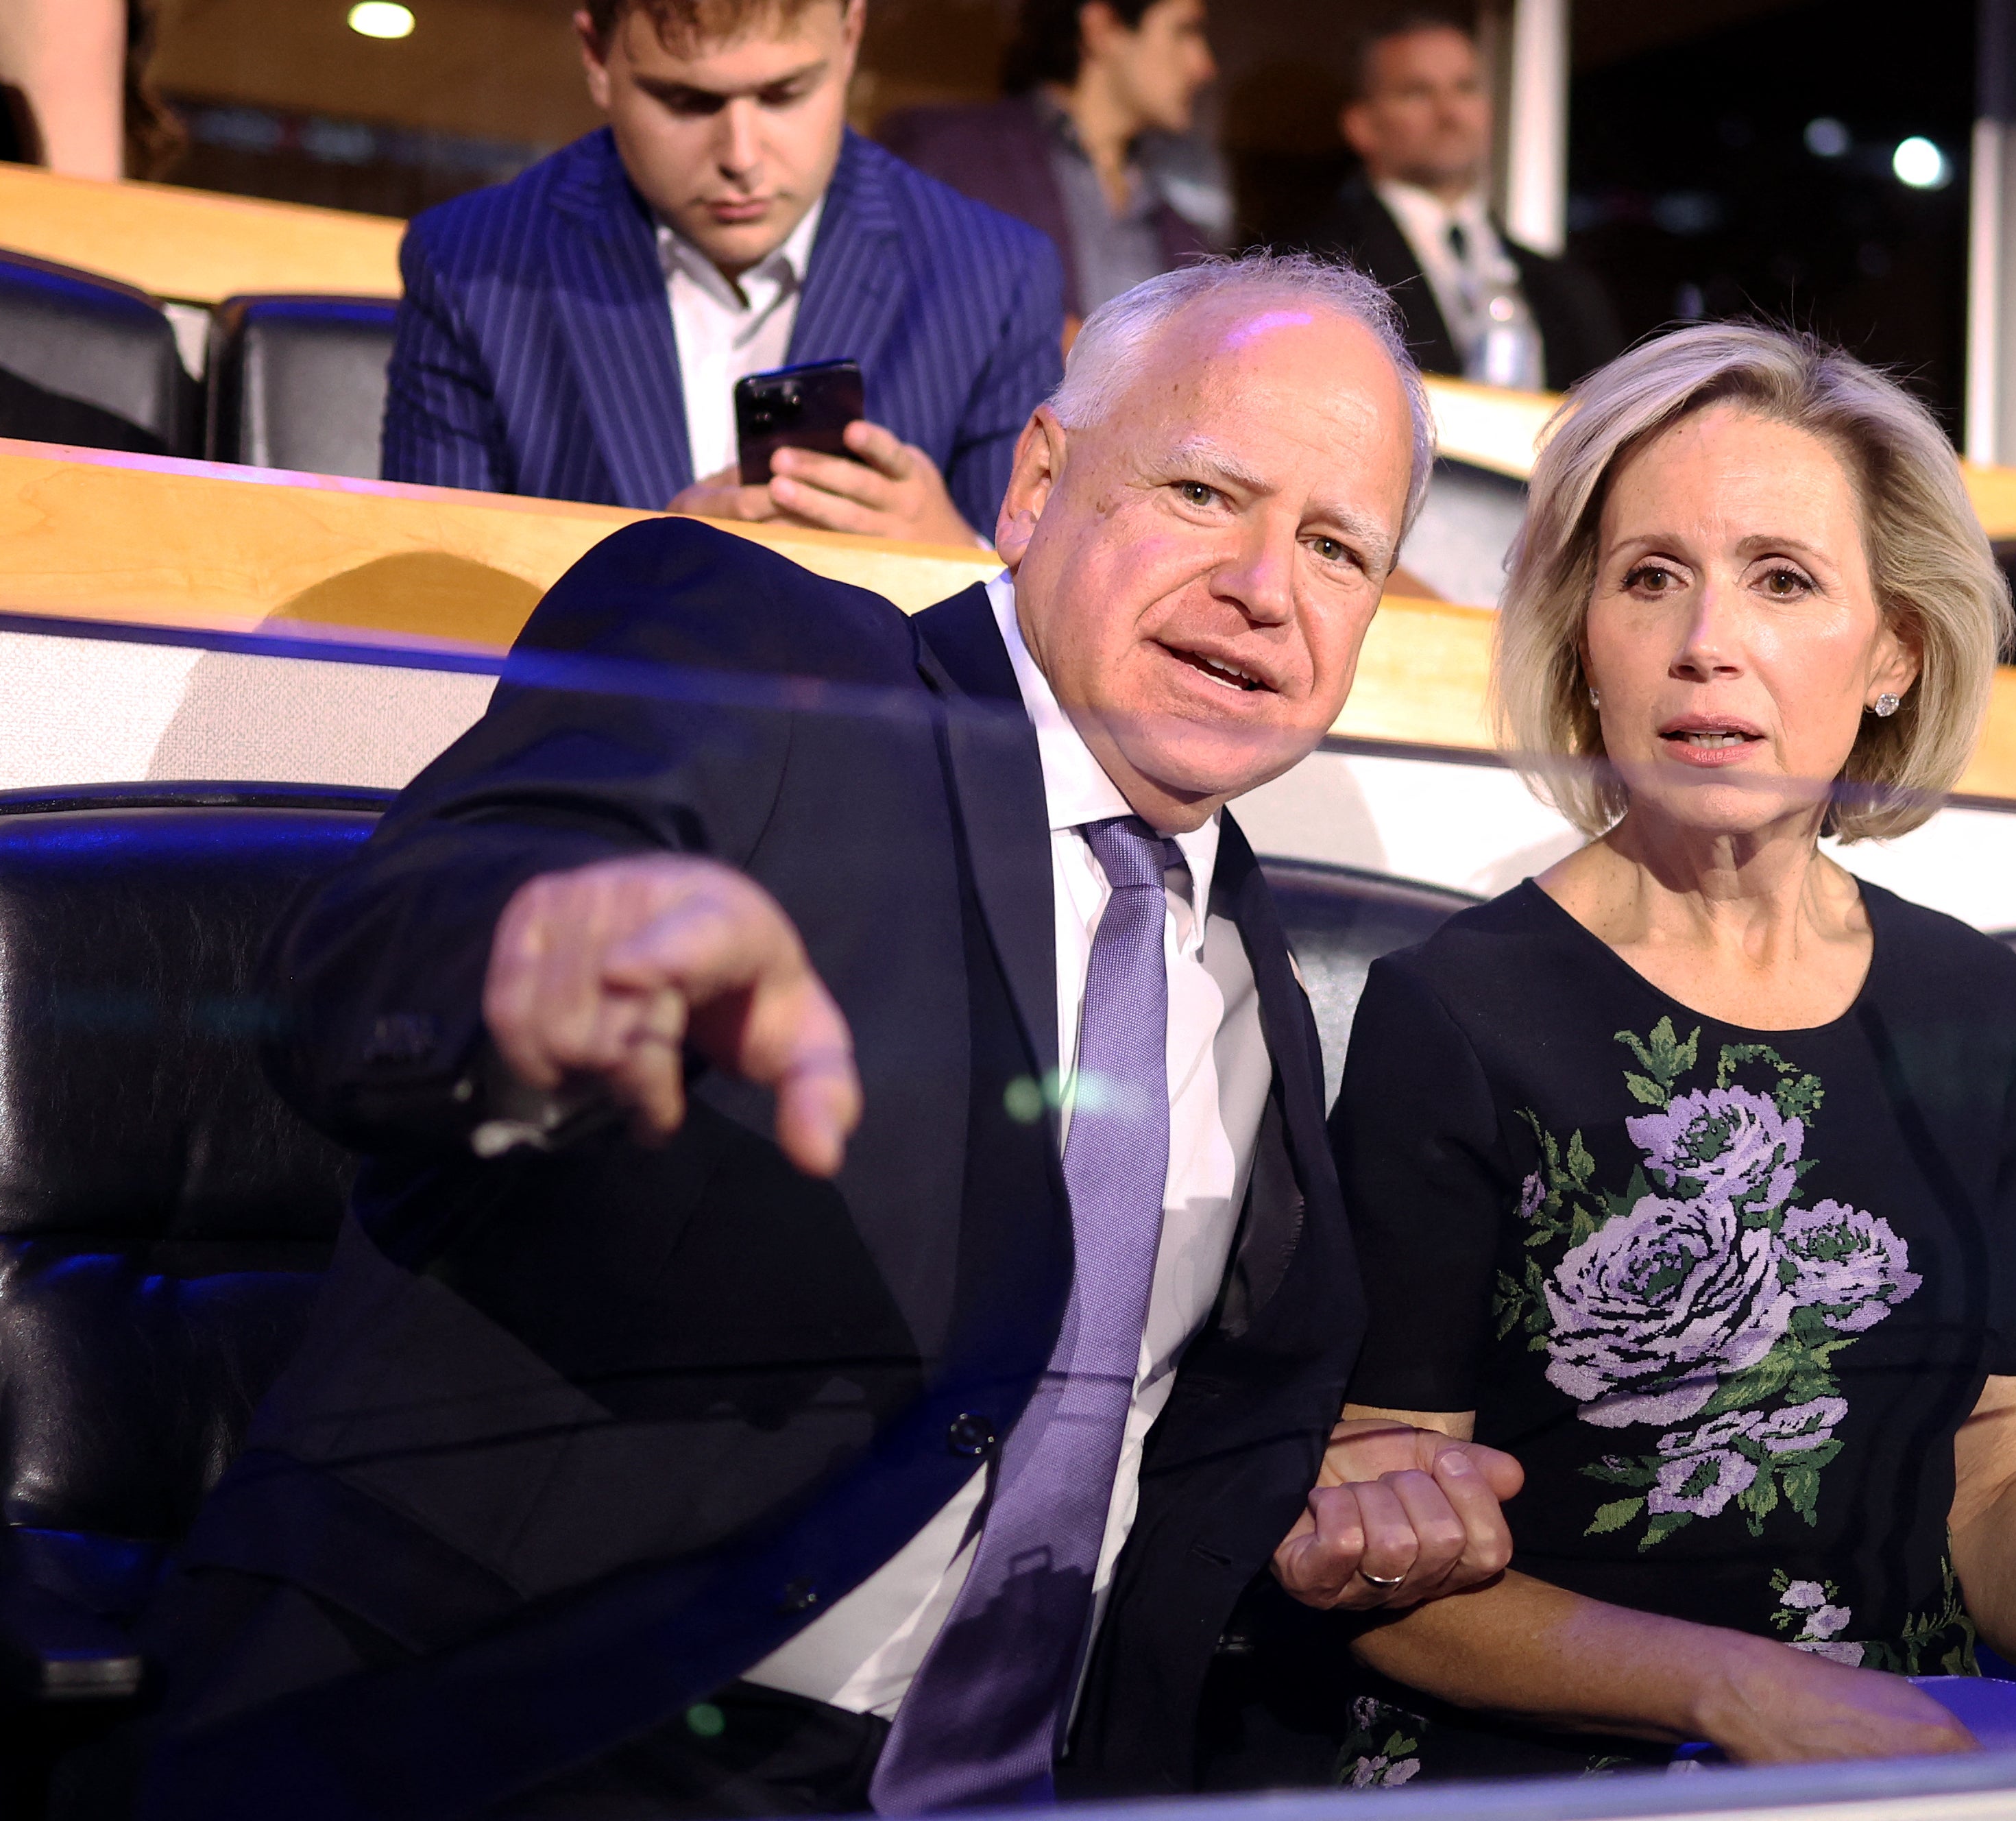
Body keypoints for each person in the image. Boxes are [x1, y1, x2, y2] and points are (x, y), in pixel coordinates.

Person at [131, 254, 1520, 1820]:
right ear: (1037, 485)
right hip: (540, 1735)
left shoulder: (1245, 963)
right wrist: (533, 966)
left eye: (1338, 548)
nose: (1267, 584)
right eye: (1207, 492)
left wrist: (1319, 1509)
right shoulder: (773, 664)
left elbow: (1128, 1443)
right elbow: (390, 955)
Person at [1321, 323, 2016, 1783]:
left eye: (1782, 578)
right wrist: (1735, 1690)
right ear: (1582, 642)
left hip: (1921, 1762)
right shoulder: (1456, 1012)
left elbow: (1998, 1469)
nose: (1703, 641)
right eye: (1649, 575)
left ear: (1892, 652)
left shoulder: (1972, 1003)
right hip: (1559, 1764)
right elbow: (1373, 1559)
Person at [380, 0, 1065, 548]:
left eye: (784, 94)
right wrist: (645, 579)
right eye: (687, 102)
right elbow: (436, 612)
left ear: (851, 33)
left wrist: (955, 558)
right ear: (595, 57)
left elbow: (1020, 663)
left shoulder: (994, 278)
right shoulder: (471, 267)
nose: (741, 156)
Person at [1304, 10, 1620, 395]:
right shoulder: (1318, 269)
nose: (1450, 113)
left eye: (1466, 88)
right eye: (1417, 92)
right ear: (1362, 125)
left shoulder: (1568, 287)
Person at [879, 0, 1216, 339]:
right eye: (1183, 31)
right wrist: (1045, 342)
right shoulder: (951, 153)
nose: (1204, 66)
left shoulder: (1181, 233)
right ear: (1102, 29)